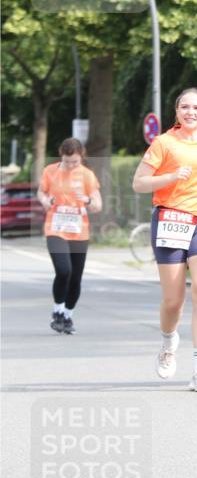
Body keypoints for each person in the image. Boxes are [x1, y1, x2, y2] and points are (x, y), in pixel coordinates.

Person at [132, 88, 197, 392]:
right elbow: (139, 183)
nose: (190, 112)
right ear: (176, 112)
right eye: (185, 107)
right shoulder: (163, 143)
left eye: (196, 108)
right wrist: (170, 177)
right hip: (170, 220)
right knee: (174, 300)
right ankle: (168, 341)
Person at [37, 138, 102, 335]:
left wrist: (88, 200)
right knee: (64, 271)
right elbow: (41, 192)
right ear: (61, 156)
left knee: (75, 278)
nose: (71, 165)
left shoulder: (87, 175)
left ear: (81, 156)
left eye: (75, 161)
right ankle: (57, 311)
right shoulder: (51, 171)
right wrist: (46, 200)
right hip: (55, 228)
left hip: (79, 231)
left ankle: (67, 315)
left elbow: (98, 205)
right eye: (67, 161)